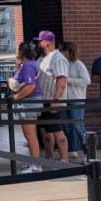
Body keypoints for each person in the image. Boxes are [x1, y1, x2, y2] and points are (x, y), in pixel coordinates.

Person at [35, 31, 70, 162]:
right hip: (43, 101)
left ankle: (64, 159)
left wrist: (56, 100)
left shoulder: (58, 58)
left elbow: (61, 80)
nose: (38, 43)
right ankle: (49, 157)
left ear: (47, 42)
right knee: (46, 132)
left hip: (54, 101)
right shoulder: (41, 58)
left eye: (40, 41)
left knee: (58, 131)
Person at [9, 41, 43, 172]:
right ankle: (33, 163)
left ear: (22, 52)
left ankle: (36, 165)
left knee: (30, 135)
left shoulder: (28, 66)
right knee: (30, 134)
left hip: (29, 101)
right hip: (31, 101)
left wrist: (16, 97)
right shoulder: (31, 64)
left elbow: (30, 86)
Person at [60, 41, 90, 158]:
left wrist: (68, 80)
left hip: (76, 99)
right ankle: (73, 149)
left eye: (63, 50)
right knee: (68, 126)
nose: (61, 53)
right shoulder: (63, 64)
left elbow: (86, 80)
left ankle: (88, 151)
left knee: (78, 126)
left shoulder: (78, 64)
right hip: (65, 99)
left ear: (68, 51)